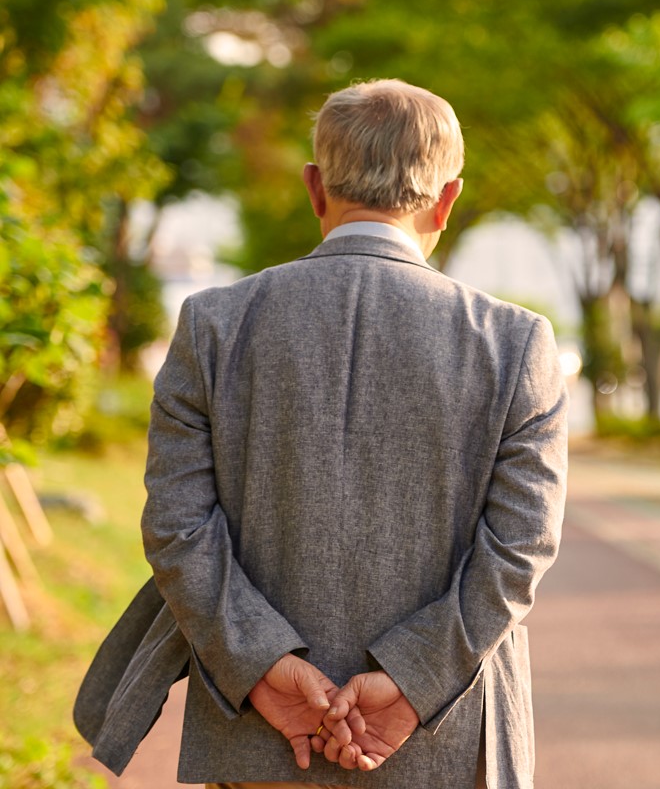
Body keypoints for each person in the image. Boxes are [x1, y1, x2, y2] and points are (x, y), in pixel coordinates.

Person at [74, 79, 569, 789]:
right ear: (447, 199)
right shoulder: (516, 343)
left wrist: (264, 666)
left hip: (258, 730)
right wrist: (411, 681)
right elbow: (520, 548)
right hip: (446, 740)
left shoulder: (213, 325)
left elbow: (178, 528)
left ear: (315, 187)